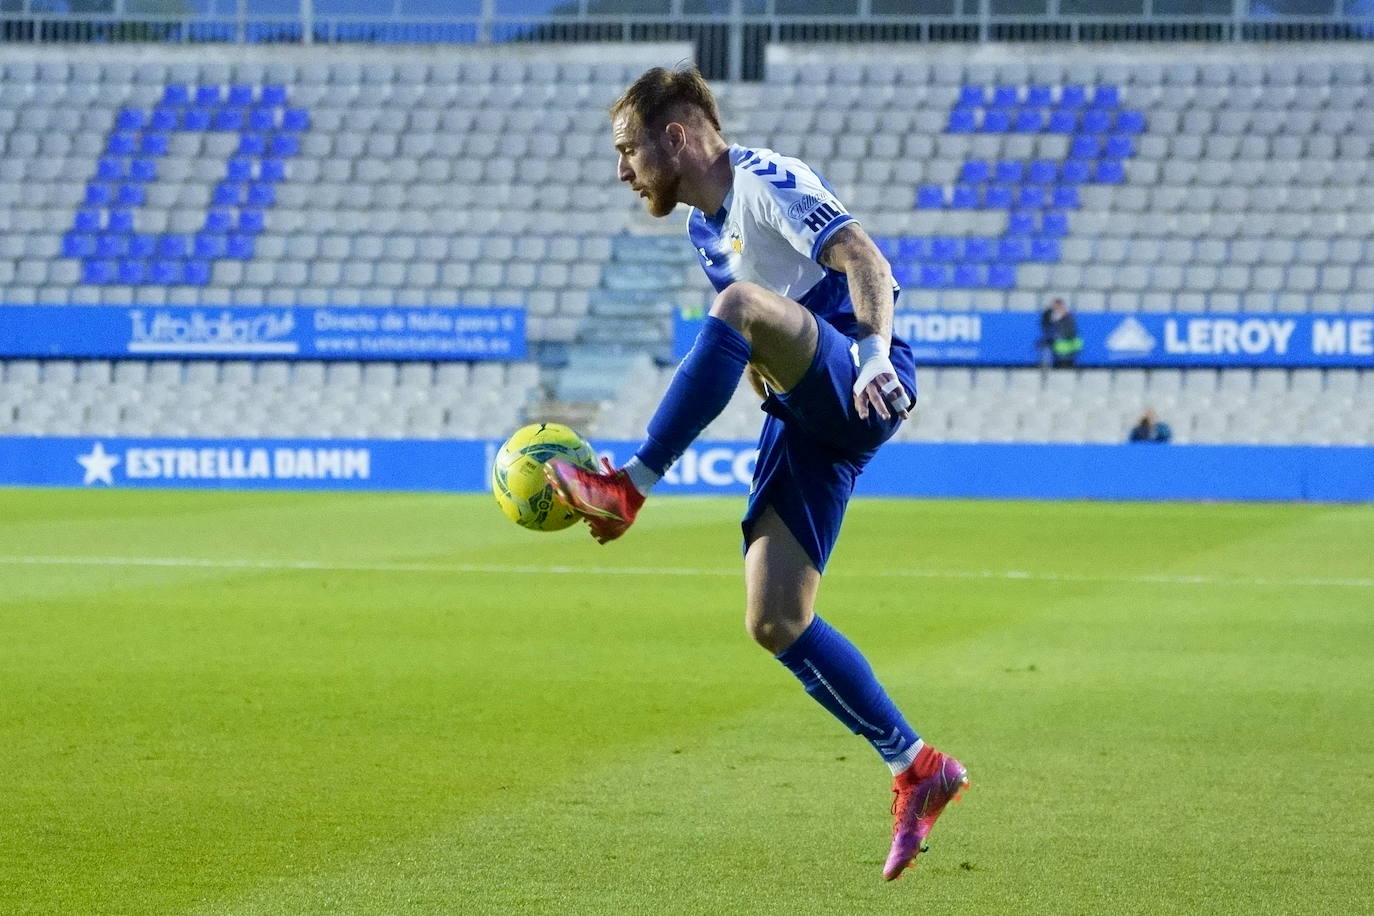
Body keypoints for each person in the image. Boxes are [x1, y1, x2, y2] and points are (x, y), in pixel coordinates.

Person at [544, 66, 967, 881]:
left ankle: (629, 482)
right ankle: (916, 766)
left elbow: (866, 261)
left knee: (736, 303)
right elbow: (765, 328)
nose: (621, 170)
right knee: (774, 619)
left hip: (861, 377)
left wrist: (875, 355)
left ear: (676, 137)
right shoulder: (705, 231)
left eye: (628, 150)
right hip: (807, 417)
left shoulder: (766, 180)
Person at [1038, 297, 1083, 369]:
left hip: (1067, 345)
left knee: (1067, 363)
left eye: (1058, 306)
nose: (1056, 308)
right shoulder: (1049, 316)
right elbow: (1045, 324)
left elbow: (1072, 331)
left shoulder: (1069, 317)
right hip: (1055, 344)